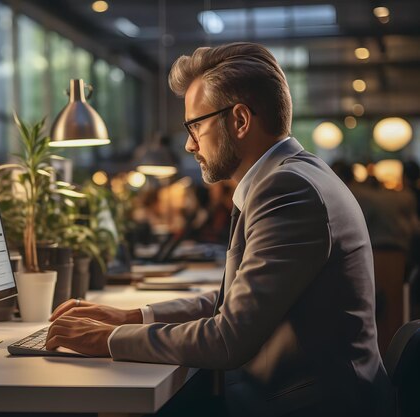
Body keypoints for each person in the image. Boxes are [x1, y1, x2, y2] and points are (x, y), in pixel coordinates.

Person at [46, 43, 391, 416]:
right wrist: (131, 317)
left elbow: (229, 338)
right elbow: (232, 303)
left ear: (240, 120)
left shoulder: (288, 190)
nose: (189, 144)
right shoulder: (289, 177)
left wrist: (109, 339)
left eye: (195, 125)